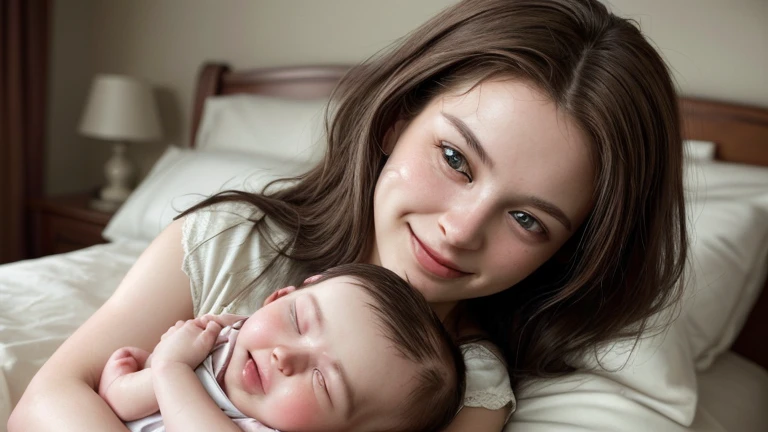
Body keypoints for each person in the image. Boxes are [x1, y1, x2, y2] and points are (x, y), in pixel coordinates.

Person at [10, 0, 687, 431]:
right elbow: (47, 403)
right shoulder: (232, 243)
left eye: (529, 221)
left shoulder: (471, 380)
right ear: (395, 119)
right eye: (455, 158)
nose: (461, 228)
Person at [97, 264, 465, 432]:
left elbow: (170, 383)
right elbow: (124, 407)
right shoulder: (218, 344)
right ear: (277, 297)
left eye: (322, 381)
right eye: (297, 321)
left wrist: (170, 369)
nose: (284, 356)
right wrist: (127, 381)